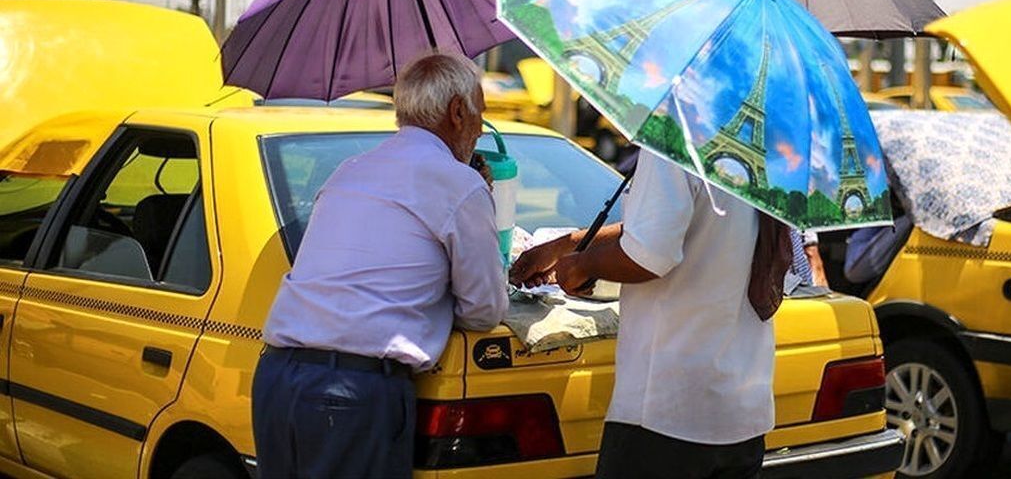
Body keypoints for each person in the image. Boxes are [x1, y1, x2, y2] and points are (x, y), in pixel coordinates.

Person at [252, 53, 509, 479]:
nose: (481, 128)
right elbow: (484, 310)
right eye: (480, 113)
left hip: (278, 379)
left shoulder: (350, 169)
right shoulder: (459, 183)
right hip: (352, 392)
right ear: (457, 112)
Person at [510, 153, 775, 479]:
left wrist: (582, 265)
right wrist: (567, 245)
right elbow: (663, 225)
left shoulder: (675, 139)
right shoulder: (758, 145)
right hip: (742, 413)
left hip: (668, 412)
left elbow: (650, 254)